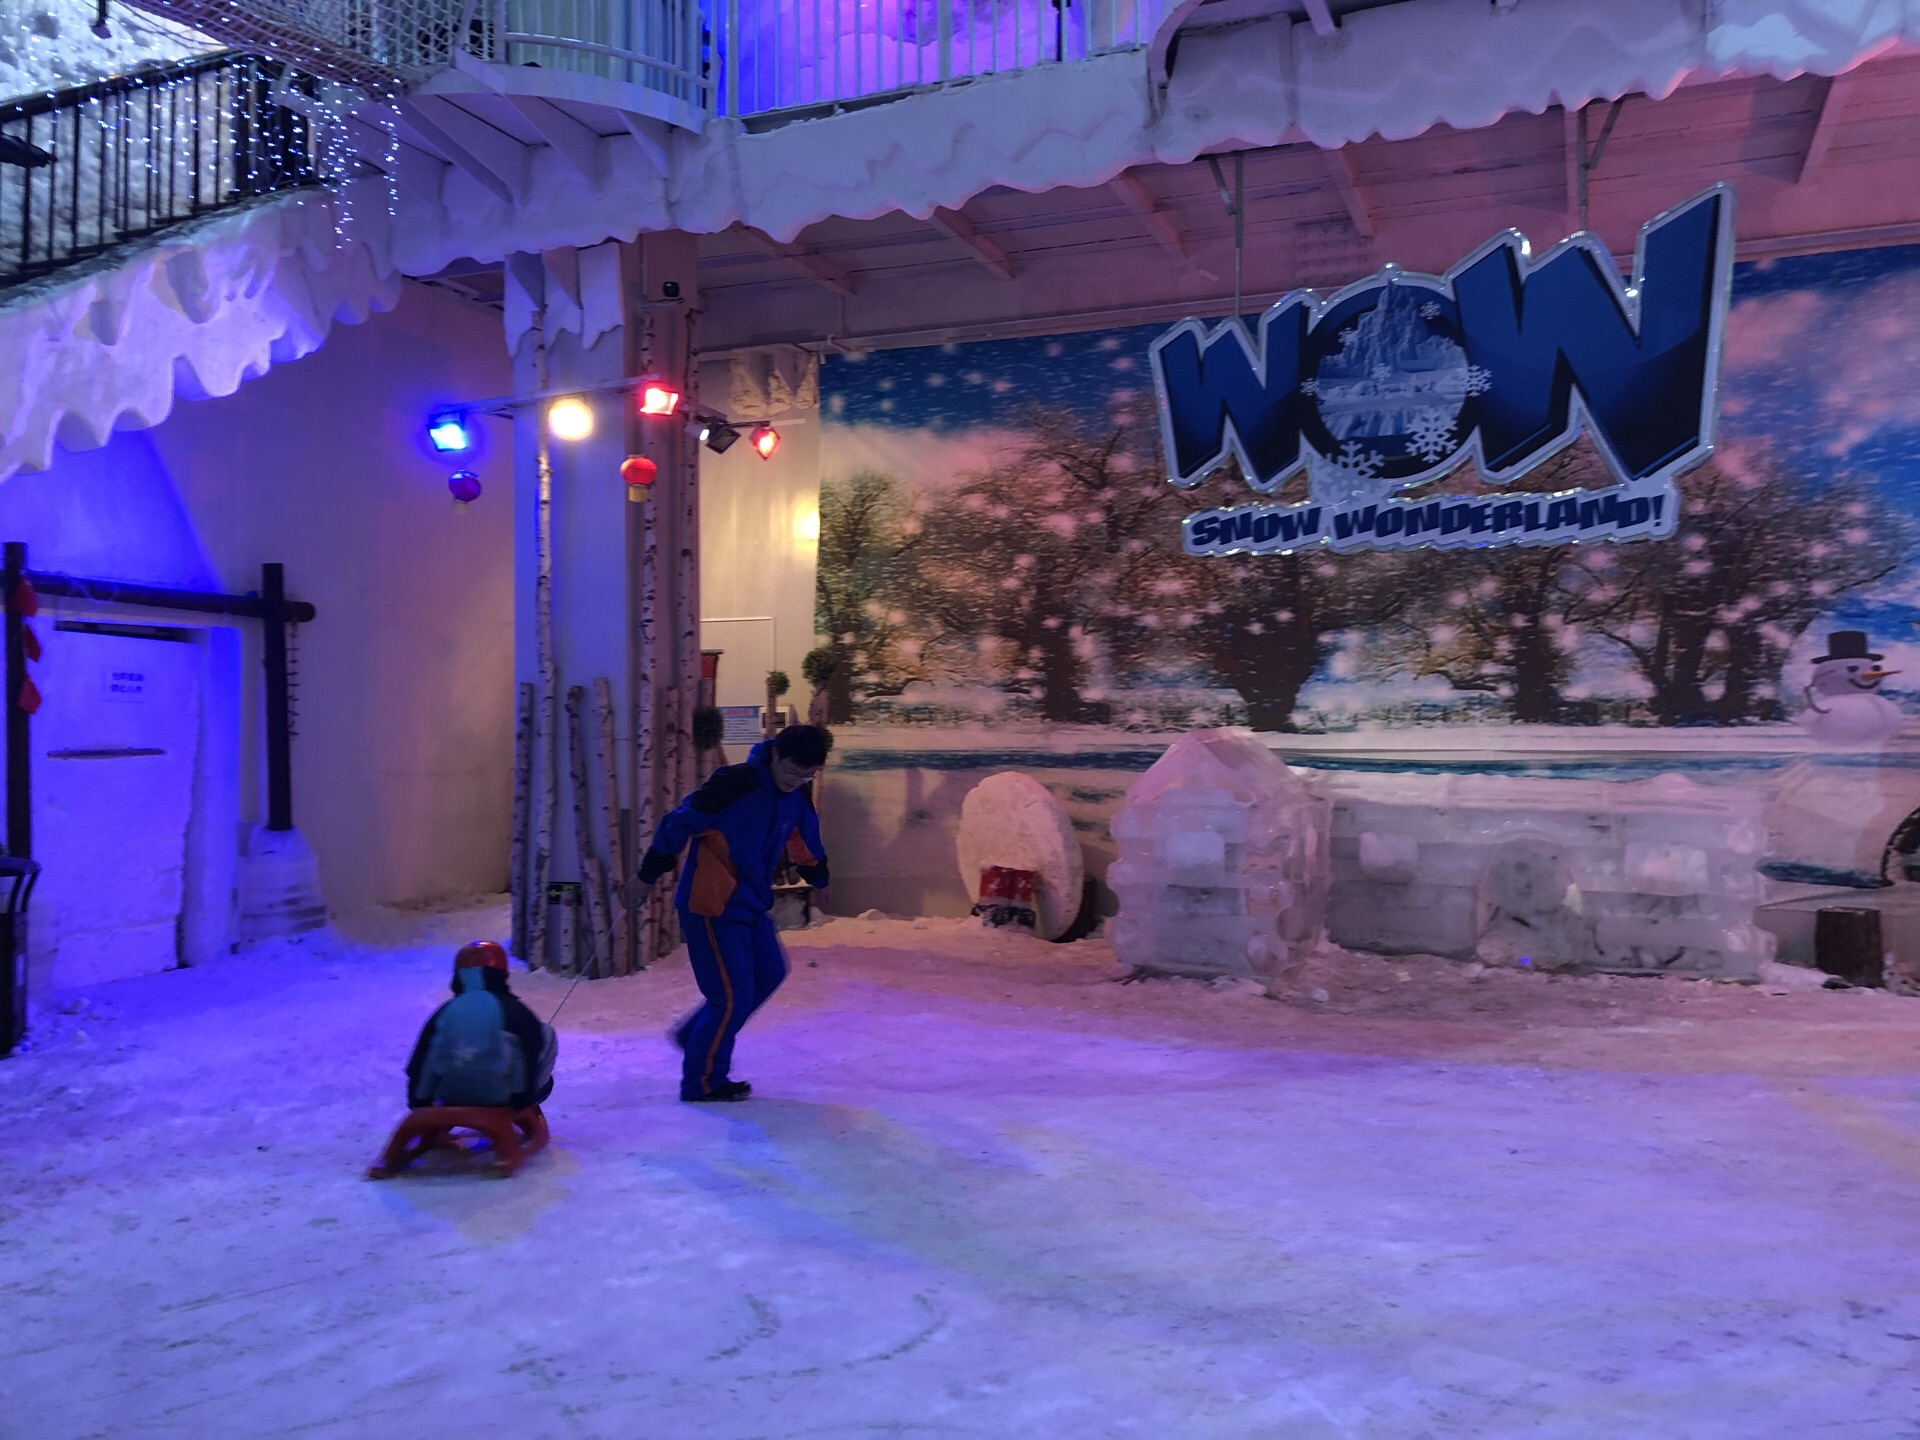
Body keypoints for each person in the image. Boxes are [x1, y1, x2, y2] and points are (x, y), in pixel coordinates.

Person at [626, 724, 831, 1102]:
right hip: (712, 905)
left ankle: (696, 1037)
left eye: (807, 774)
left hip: (752, 905)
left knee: (770, 972)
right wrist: (646, 875)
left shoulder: (796, 795)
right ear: (775, 754)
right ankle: (704, 1081)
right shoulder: (736, 783)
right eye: (792, 770)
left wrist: (819, 875)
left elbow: (804, 838)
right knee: (731, 995)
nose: (797, 780)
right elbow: (678, 822)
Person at [404, 940, 557, 1112]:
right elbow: (530, 1056)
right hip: (504, 1101)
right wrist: (523, 1099)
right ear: (502, 975)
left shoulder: (443, 1013)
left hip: (450, 1096)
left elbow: (419, 1063)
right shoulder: (515, 1011)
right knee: (546, 1033)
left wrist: (419, 1102)